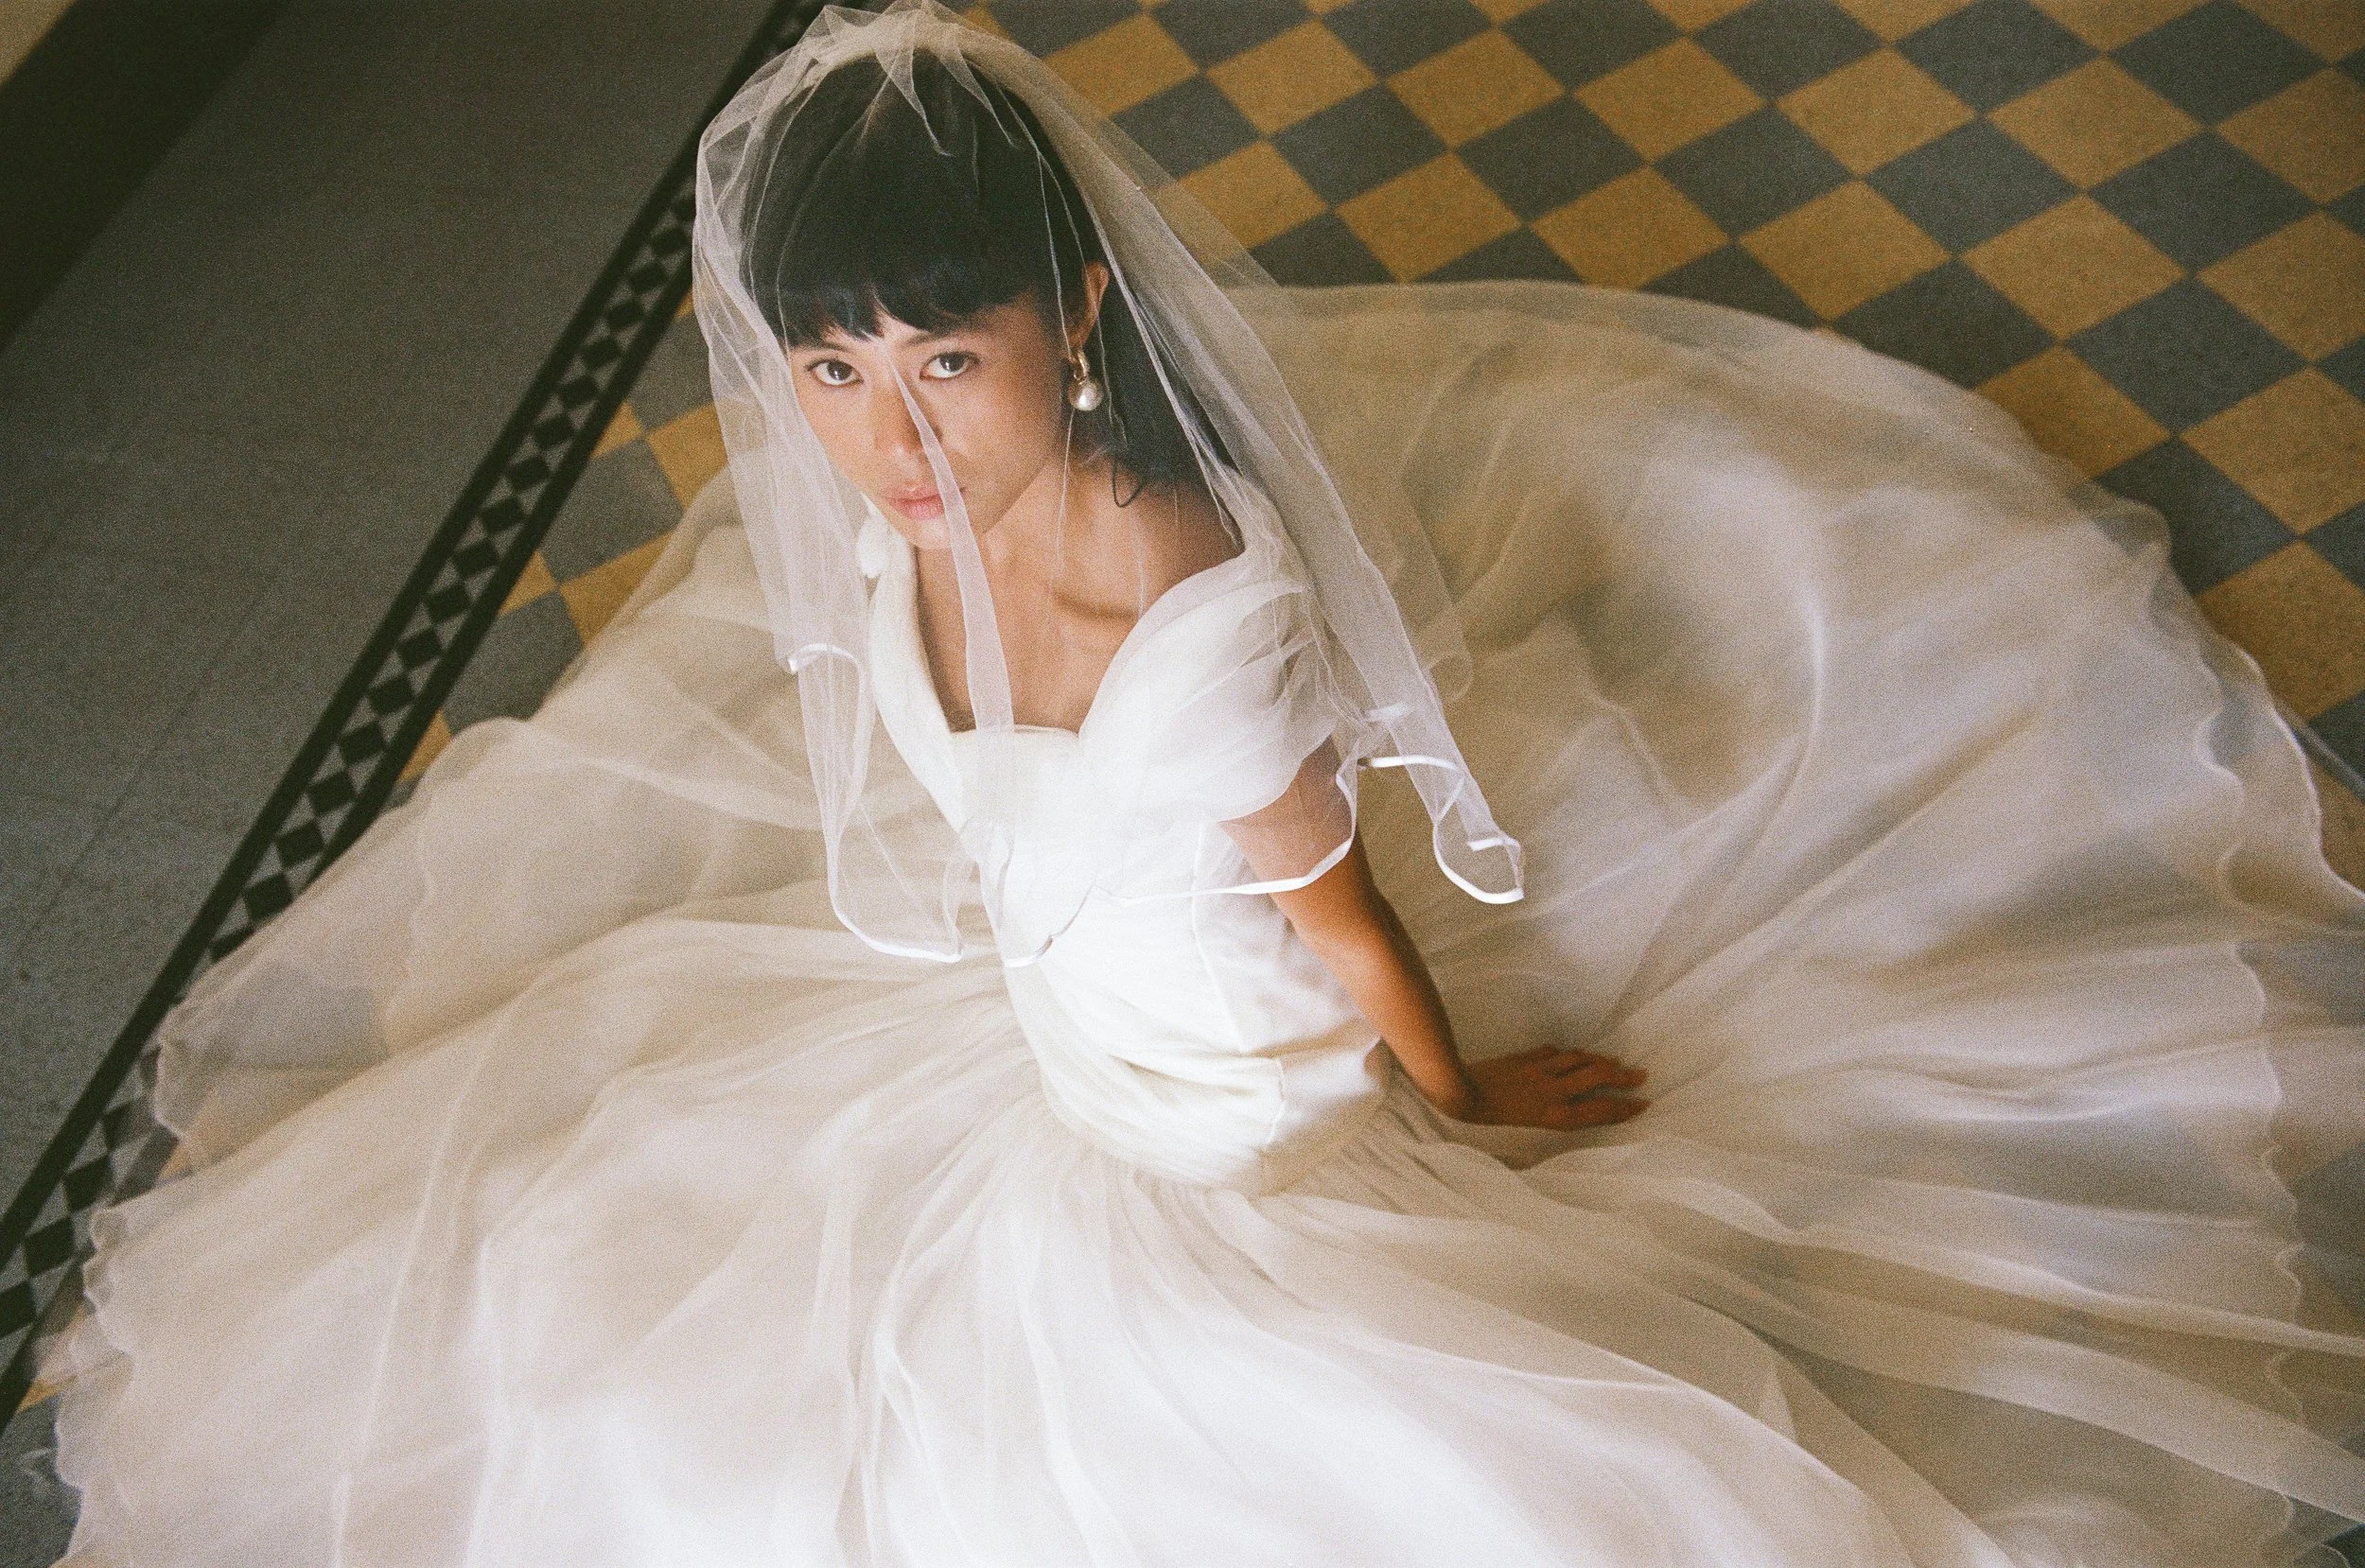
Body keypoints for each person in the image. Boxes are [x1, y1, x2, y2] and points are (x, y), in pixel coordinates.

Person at [31, 3, 2365, 1563]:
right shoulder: (889, 515)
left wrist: (1453, 1109)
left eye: (945, 356)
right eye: (830, 367)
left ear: (1081, 316)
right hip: (1040, 1056)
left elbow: (1342, 922)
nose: (889, 437)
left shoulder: (1198, 625)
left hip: (1237, 1128)